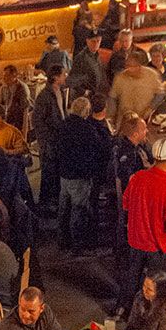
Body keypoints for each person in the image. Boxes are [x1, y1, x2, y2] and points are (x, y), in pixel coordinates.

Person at [119, 138, 166, 312]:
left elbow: (126, 203)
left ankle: (125, 309)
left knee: (132, 276)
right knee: (158, 284)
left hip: (135, 239)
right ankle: (151, 314)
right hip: (158, 245)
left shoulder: (138, 177)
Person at [56, 95, 105, 249]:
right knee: (78, 210)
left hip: (64, 174)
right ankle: (77, 245)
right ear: (86, 112)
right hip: (80, 175)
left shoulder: (63, 125)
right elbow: (99, 149)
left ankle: (62, 241)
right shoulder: (87, 129)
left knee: (64, 209)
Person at [32, 64, 66, 212]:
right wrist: (47, 140)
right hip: (49, 143)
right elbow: (37, 121)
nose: (66, 77)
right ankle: (46, 206)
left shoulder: (60, 91)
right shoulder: (44, 96)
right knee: (48, 174)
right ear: (56, 77)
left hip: (58, 140)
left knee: (56, 173)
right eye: (64, 74)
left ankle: (55, 204)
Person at [107, 51, 163, 128]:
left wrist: (150, 108)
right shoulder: (120, 77)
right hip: (125, 119)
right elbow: (112, 98)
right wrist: (110, 117)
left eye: (131, 66)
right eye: (127, 65)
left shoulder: (152, 75)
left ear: (139, 66)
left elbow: (160, 94)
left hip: (144, 119)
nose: (128, 69)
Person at [112, 113, 152, 191]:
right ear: (135, 135)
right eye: (144, 129)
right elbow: (129, 179)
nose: (147, 131)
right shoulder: (127, 153)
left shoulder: (136, 146)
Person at [67, 29, 104, 98]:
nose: (95, 44)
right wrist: (83, 92)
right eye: (93, 41)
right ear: (87, 41)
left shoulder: (96, 55)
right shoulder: (81, 58)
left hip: (96, 93)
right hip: (86, 96)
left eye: (98, 41)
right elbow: (72, 79)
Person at [0, 64, 31, 131]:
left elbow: (25, 108)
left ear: (14, 75)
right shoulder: (4, 88)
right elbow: (0, 103)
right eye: (4, 76)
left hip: (18, 121)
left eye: (7, 75)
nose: (4, 78)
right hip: (7, 118)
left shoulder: (22, 88)